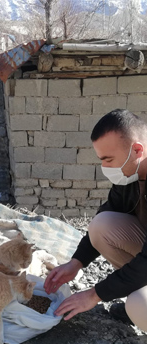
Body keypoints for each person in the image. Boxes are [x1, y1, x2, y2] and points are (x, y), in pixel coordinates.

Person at [46, 109, 147, 331]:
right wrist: (76, 263)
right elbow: (107, 214)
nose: (106, 168)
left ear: (137, 150)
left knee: (141, 304)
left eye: (109, 159)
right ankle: (136, 290)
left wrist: (94, 294)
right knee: (102, 225)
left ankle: (138, 300)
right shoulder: (130, 176)